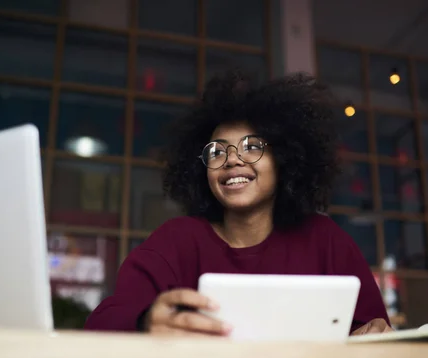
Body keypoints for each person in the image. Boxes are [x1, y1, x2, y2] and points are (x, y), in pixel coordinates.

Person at [85, 69, 392, 336]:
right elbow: (101, 324)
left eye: (252, 146)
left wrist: (378, 335)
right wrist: (145, 323)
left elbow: (376, 334)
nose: (232, 159)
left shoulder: (326, 241)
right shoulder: (176, 241)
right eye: (217, 151)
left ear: (283, 159)